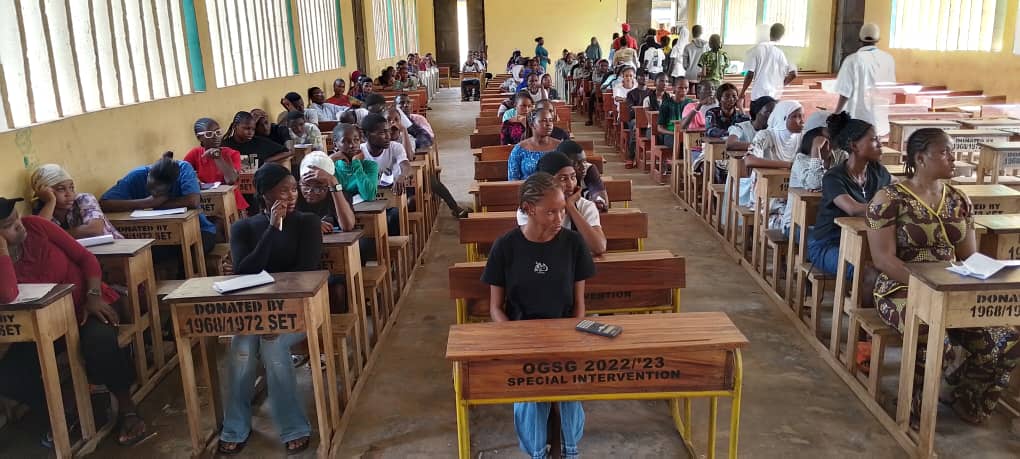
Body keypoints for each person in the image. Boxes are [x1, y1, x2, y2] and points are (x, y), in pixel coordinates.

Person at [867, 128, 1019, 426]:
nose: (953, 157)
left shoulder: (958, 199)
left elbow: (968, 256)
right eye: (944, 152)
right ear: (920, 158)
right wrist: (928, 287)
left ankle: (962, 394)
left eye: (952, 151)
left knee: (1007, 339)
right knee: (934, 339)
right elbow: (883, 259)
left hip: (950, 286)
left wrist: (987, 274)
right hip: (900, 287)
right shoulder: (888, 199)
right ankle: (912, 407)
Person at [0, 198, 148, 447]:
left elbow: (86, 258)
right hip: (45, 326)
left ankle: (127, 408)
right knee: (8, 374)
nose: (19, 225)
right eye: (8, 225)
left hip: (86, 307)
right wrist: (3, 251)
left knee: (99, 343)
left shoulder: (36, 226)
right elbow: (7, 294)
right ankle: (62, 415)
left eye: (16, 217)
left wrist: (93, 296)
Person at [482, 172, 595, 459]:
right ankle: (537, 453)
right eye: (551, 212)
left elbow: (579, 303)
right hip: (521, 335)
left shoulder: (573, 244)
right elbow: (495, 307)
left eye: (562, 210)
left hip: (565, 334)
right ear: (528, 209)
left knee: (569, 392)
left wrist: (573, 336)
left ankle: (570, 450)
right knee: (530, 395)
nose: (559, 218)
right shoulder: (506, 246)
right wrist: (517, 338)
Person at [217, 164, 322, 456]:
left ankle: (293, 427)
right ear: (265, 195)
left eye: (294, 189)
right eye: (283, 191)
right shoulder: (244, 227)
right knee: (241, 347)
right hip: (255, 312)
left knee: (273, 344)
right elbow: (244, 271)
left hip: (299, 308)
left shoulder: (308, 222)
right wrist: (272, 229)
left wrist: (276, 312)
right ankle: (235, 426)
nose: (291, 196)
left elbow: (306, 271)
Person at [807, 113, 891, 274]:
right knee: (869, 272)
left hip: (866, 241)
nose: (880, 144)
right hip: (829, 244)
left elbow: (894, 190)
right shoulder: (834, 177)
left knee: (897, 265)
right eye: (874, 139)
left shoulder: (879, 172)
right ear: (854, 146)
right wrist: (891, 208)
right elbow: (853, 209)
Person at [100, 153, 219, 254]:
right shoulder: (137, 175)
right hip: (156, 235)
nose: (154, 193)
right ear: (148, 174)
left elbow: (193, 201)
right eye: (152, 187)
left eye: (160, 191)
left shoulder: (183, 169)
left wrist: (158, 204)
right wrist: (147, 203)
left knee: (189, 252)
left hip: (199, 230)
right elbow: (104, 204)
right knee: (145, 255)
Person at [745, 100, 804, 229]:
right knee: (790, 219)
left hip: (790, 191)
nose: (801, 121)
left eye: (802, 116)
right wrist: (788, 165)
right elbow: (749, 160)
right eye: (795, 116)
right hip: (766, 194)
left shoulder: (802, 138)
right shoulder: (766, 135)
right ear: (783, 118)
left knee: (801, 214)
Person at [833, 23, 897, 136]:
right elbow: (890, 89)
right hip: (880, 119)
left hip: (858, 121)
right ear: (878, 40)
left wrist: (836, 114)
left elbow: (845, 92)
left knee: (858, 144)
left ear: (859, 39)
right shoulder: (888, 59)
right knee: (876, 143)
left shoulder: (852, 60)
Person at [30, 164, 123, 239]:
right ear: (45, 193)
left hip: (116, 249)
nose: (69, 194)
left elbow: (94, 230)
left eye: (71, 187)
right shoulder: (43, 209)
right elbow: (39, 235)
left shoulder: (84, 199)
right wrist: (50, 202)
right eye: (61, 189)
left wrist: (53, 236)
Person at [778, 127, 839, 235]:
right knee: (826, 241)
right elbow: (815, 184)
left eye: (832, 139)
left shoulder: (839, 157)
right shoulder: (801, 159)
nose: (831, 144)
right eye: (825, 141)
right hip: (796, 224)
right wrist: (816, 150)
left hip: (826, 224)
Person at [183, 118, 249, 217]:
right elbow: (183, 173)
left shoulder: (232, 153)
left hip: (232, 205)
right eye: (209, 134)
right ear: (200, 138)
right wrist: (195, 180)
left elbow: (231, 180)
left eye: (218, 132)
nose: (215, 137)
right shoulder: (195, 154)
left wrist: (218, 157)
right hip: (208, 205)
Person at [360, 113, 413, 235]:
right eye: (382, 133)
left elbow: (406, 166)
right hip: (368, 200)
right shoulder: (359, 152)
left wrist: (402, 176)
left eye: (388, 131)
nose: (388, 136)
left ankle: (391, 245)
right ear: (366, 135)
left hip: (391, 197)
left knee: (394, 216)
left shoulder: (395, 147)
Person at [740, 23, 798, 107]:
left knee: (758, 115)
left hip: (759, 97)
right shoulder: (781, 52)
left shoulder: (754, 50)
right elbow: (793, 74)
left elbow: (749, 75)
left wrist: (742, 92)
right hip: (775, 97)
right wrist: (780, 85)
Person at [296, 152, 356, 234]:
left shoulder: (338, 194)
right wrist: (310, 224)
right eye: (306, 185)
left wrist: (333, 182)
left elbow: (348, 226)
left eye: (318, 187)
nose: (310, 191)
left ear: (328, 185)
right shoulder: (292, 192)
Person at [330, 123, 379, 202]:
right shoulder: (332, 167)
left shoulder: (370, 166)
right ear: (335, 145)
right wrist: (330, 160)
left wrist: (356, 162)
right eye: (345, 141)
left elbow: (369, 196)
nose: (352, 145)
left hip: (363, 208)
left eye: (356, 140)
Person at [508, 108, 561, 180]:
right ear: (532, 124)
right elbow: (513, 179)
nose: (549, 124)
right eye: (543, 121)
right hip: (527, 187)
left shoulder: (560, 146)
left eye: (551, 120)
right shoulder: (519, 149)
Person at [223, 111, 290, 167]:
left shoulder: (259, 142)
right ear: (235, 126)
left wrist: (266, 161)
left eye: (253, 129)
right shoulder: (225, 145)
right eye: (247, 128)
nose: (250, 132)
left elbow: (287, 152)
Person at [557, 140, 607, 211]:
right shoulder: (554, 176)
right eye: (576, 163)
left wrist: (599, 201)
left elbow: (599, 196)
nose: (583, 167)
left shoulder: (589, 169)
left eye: (584, 161)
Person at [656, 79, 695, 153]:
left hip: (687, 134)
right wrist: (675, 133)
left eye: (686, 88)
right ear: (674, 88)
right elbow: (660, 128)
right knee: (679, 144)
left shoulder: (690, 103)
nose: (683, 90)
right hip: (671, 134)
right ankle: (676, 160)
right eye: (680, 88)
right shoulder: (666, 104)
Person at [683, 25, 709, 93]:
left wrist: (689, 68)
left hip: (690, 74)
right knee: (700, 93)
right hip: (702, 74)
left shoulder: (687, 46)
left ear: (692, 32)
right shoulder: (706, 46)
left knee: (689, 94)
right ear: (701, 32)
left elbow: (684, 65)